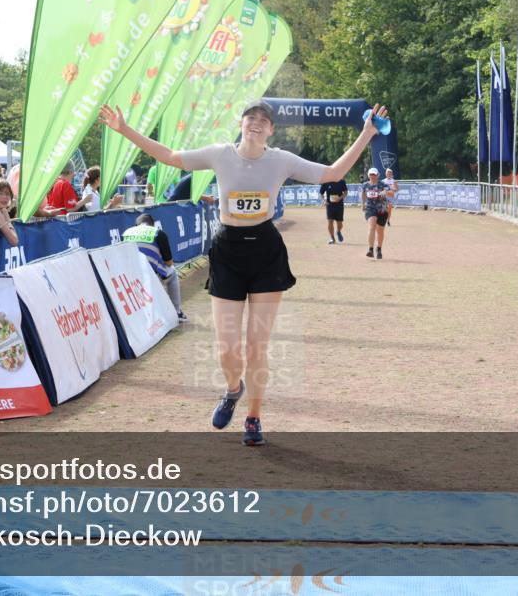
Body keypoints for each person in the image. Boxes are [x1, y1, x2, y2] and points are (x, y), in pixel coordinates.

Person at [100, 98, 386, 446]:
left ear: (271, 130)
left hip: (266, 252)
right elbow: (170, 157)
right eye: (251, 117)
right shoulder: (220, 154)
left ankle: (254, 417)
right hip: (228, 252)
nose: (256, 123)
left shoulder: (280, 160)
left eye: (263, 120)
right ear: (241, 123)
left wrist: (367, 133)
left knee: (257, 347)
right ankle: (233, 389)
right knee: (227, 349)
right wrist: (125, 130)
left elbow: (332, 174)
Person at [122, 214, 187, 322]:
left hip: (129, 275)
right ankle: (177, 312)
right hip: (149, 274)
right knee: (173, 274)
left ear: (136, 225)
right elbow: (169, 262)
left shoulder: (126, 233)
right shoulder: (158, 233)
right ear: (152, 224)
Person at [361, 167, 391, 259]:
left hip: (382, 209)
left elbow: (391, 193)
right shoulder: (365, 185)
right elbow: (363, 194)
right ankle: (370, 249)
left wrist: (385, 192)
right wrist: (363, 204)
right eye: (371, 174)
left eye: (374, 174)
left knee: (380, 230)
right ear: (368, 175)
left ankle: (379, 249)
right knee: (372, 226)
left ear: (377, 175)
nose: (372, 176)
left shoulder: (383, 184)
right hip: (370, 208)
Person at [319, 178, 348, 243]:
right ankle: (332, 238)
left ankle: (338, 231)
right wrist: (324, 201)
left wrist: (340, 198)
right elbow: (321, 194)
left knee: (339, 222)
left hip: (339, 204)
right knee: (330, 221)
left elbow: (345, 192)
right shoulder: (326, 182)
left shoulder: (341, 181)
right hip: (329, 205)